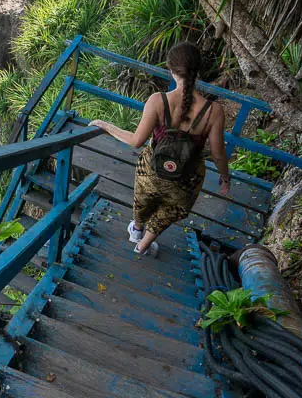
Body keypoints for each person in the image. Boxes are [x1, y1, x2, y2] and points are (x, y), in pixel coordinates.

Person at [89, 42, 231, 257]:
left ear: (171, 70)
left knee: (143, 199)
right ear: (198, 70)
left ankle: (136, 229)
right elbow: (218, 153)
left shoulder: (158, 101)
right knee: (172, 210)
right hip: (187, 178)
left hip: (152, 172)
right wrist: (224, 176)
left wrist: (107, 126)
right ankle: (143, 245)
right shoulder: (214, 111)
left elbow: (137, 141)